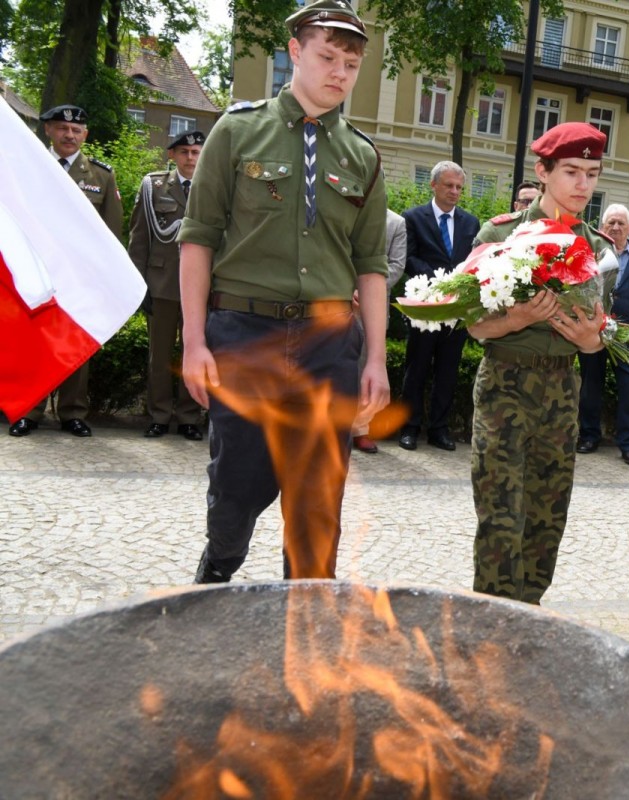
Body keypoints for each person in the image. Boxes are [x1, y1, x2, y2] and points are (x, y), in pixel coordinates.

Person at [179, 0, 389, 582]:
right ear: (294, 52)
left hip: (329, 345)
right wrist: (194, 343)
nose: (339, 73)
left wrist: (375, 358)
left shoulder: (362, 156)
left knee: (319, 501)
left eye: (351, 64)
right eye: (327, 56)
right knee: (237, 489)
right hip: (245, 338)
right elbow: (197, 240)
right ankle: (217, 575)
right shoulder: (237, 131)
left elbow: (371, 265)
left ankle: (309, 623)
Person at [468, 122, 612, 605]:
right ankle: (491, 621)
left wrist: (593, 341)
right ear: (543, 171)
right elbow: (474, 326)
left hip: (561, 392)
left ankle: (527, 614)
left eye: (592, 173)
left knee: (548, 517)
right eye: (571, 171)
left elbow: (600, 337)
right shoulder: (501, 234)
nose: (582, 184)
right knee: (501, 516)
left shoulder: (597, 247)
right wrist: (516, 319)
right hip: (505, 386)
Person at [8, 104, 122, 439]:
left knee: (76, 340)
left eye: (76, 130)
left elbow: (111, 232)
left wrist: (104, 276)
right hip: (34, 270)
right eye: (62, 128)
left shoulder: (101, 176)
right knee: (33, 340)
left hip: (79, 277)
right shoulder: (26, 169)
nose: (69, 135)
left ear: (85, 135)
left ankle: (72, 411)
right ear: (48, 131)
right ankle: (29, 410)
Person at [128, 129, 207, 441]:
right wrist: (139, 284)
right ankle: (159, 415)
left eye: (197, 152)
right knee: (159, 356)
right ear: (172, 155)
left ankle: (189, 416)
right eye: (184, 152)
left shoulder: (213, 187)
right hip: (161, 285)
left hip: (200, 290)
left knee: (194, 351)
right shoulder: (154, 186)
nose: (191, 158)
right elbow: (139, 238)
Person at [397, 161, 481, 451]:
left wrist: (461, 284)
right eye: (449, 185)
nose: (454, 192)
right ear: (433, 185)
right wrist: (440, 280)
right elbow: (408, 258)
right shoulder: (413, 218)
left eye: (459, 187)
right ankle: (409, 427)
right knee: (416, 369)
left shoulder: (471, 223)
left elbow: (474, 261)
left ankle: (439, 430)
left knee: (448, 370)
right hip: (424, 307)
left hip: (456, 310)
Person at [576, 203, 629, 465]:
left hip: (628, 334)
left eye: (621, 223)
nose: (616, 227)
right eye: (611, 222)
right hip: (594, 329)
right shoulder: (591, 255)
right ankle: (589, 436)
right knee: (590, 385)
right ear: (602, 227)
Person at [351, 208, 406, 453]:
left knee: (366, 365)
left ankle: (360, 429)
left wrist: (367, 289)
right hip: (332, 297)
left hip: (370, 305)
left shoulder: (396, 222)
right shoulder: (341, 210)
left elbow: (396, 264)